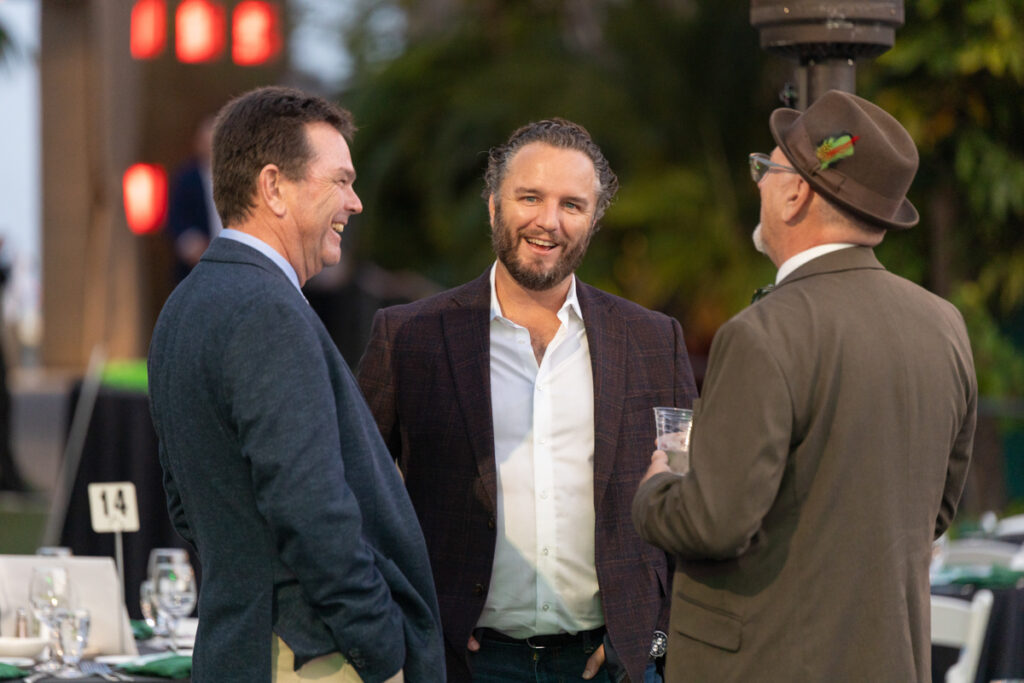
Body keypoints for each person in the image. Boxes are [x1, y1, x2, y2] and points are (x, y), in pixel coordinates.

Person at [632, 90, 976, 682]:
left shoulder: (764, 333)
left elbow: (715, 522)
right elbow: (934, 510)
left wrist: (657, 487)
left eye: (765, 170)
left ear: (796, 194)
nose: (759, 185)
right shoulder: (944, 325)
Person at [357, 118, 698, 682]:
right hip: (462, 665)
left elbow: (692, 502)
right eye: (530, 197)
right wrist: (402, 622)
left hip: (611, 668)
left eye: (572, 204)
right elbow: (353, 496)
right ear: (494, 206)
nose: (548, 222)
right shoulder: (410, 336)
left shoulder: (653, 341)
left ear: (593, 220)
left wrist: (655, 638)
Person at [147, 86, 445, 683]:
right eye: (339, 181)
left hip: (239, 648)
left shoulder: (183, 307)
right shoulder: (267, 312)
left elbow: (186, 502)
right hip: (311, 660)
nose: (354, 202)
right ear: (273, 187)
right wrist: (380, 649)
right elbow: (311, 511)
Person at [166, 116, 223, 283]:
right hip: (197, 268)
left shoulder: (241, 178)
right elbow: (176, 218)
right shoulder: (186, 178)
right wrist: (192, 245)